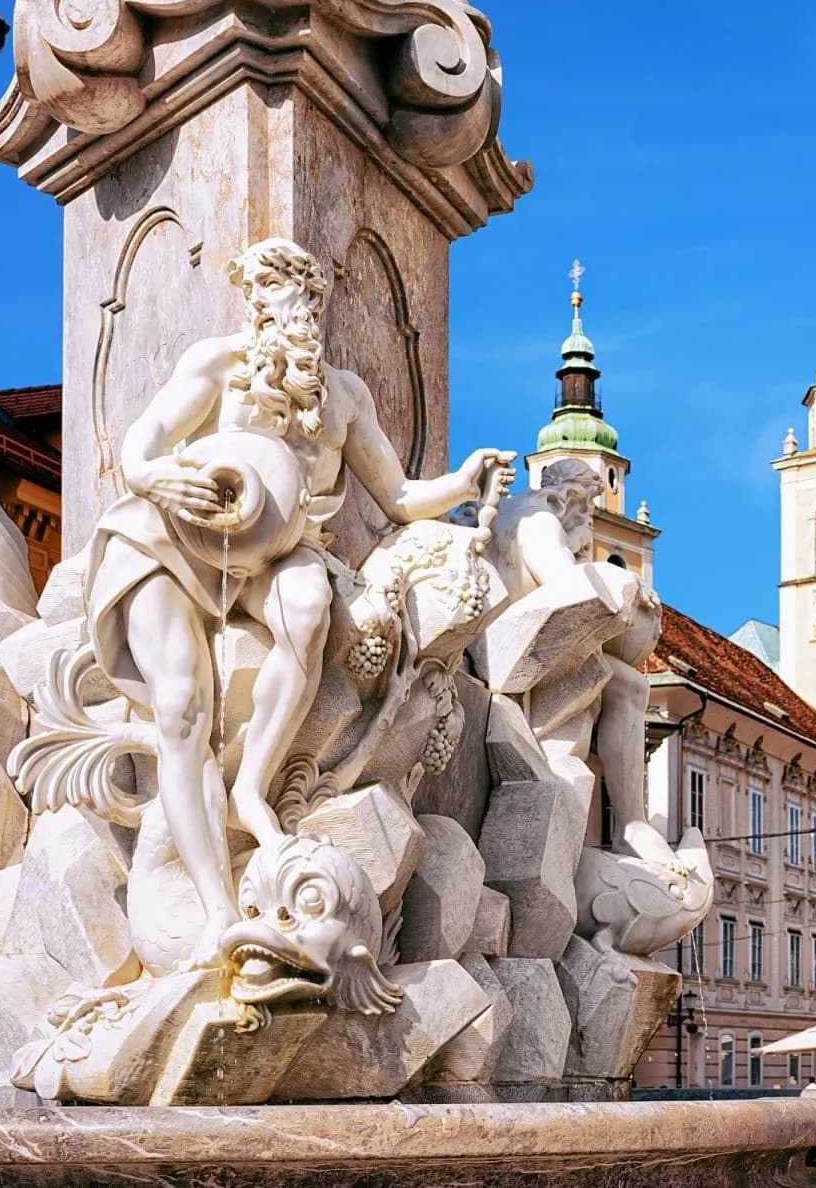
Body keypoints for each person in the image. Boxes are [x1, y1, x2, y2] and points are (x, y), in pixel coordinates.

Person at [78, 238, 513, 966]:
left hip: (276, 555)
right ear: (257, 307)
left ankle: (254, 788)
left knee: (310, 610)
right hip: (175, 538)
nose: (302, 314)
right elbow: (141, 444)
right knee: (183, 703)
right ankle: (216, 907)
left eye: (312, 301)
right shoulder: (219, 364)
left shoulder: (343, 396)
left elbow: (400, 496)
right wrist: (157, 478)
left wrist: (463, 484)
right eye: (286, 300)